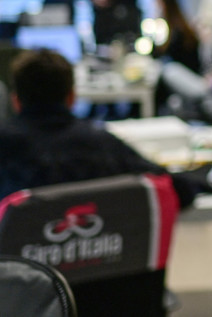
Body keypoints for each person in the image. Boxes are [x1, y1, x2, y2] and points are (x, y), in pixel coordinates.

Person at [0, 49, 196, 208]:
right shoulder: (103, 144)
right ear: (72, 97)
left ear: (16, 101)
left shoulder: (6, 147)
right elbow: (180, 191)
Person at [152, 0, 201, 73]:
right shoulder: (175, 27)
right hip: (185, 72)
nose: (156, 9)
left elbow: (166, 53)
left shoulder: (178, 32)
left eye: (158, 5)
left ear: (166, 6)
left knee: (169, 70)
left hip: (188, 73)